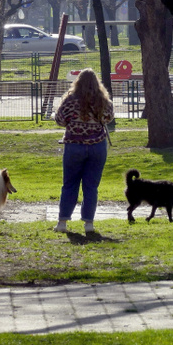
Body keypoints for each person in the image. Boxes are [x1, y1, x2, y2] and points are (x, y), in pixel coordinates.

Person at [53, 68, 114, 233]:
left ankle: (62, 222)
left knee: (69, 184)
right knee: (91, 186)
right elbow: (108, 118)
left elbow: (59, 120)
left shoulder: (70, 100)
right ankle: (89, 224)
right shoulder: (103, 101)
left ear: (77, 82)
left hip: (74, 145)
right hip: (97, 145)